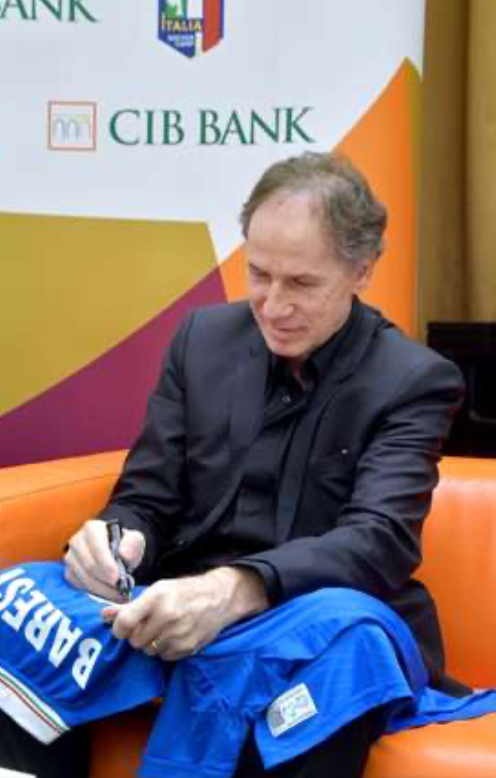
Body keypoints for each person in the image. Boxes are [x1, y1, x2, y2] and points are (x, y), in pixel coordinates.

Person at [0, 152, 465, 778]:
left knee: (349, 648)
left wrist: (235, 589)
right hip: (177, 606)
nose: (273, 306)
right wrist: (118, 541)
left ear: (362, 269)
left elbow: (377, 542)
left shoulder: (413, 379)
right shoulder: (203, 340)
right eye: (259, 274)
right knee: (19, 600)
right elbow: (146, 496)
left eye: (301, 284)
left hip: (310, 617)